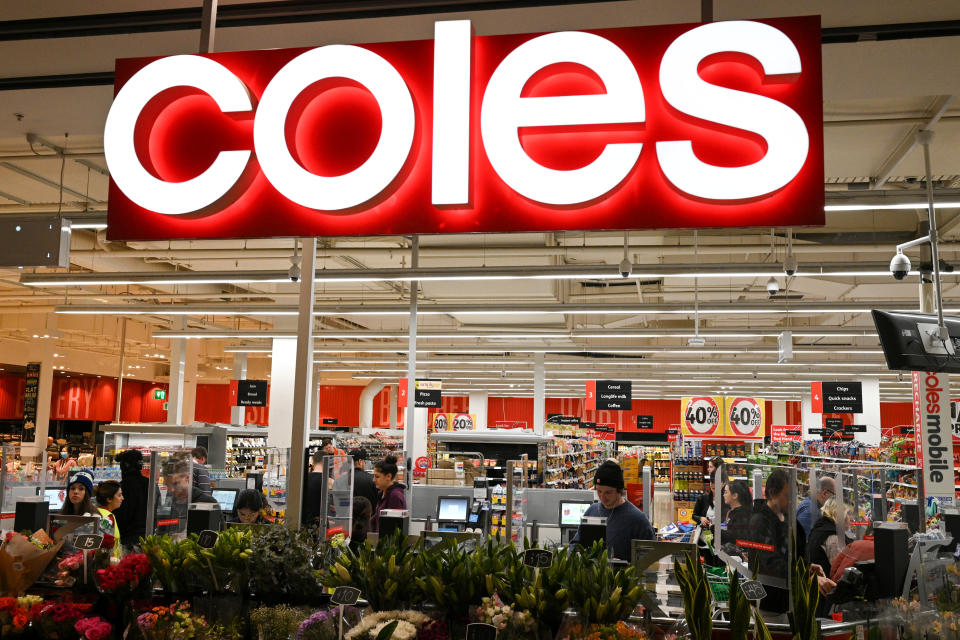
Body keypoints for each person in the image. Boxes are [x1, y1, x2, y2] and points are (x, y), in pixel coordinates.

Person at [572, 460, 655, 561]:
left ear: (619, 490)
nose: (602, 497)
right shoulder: (592, 511)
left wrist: (624, 563)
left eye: (608, 492)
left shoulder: (638, 519)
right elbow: (576, 543)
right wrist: (577, 554)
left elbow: (650, 556)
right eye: (599, 491)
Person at [112, 449, 153, 551]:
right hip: (149, 537)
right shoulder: (150, 484)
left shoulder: (123, 486)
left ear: (125, 466)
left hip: (128, 540)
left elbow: (121, 515)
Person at [807, 498, 854, 582]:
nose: (852, 518)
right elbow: (841, 572)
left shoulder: (820, 528)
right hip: (829, 589)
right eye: (849, 513)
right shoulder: (833, 536)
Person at [371, 455, 406, 532]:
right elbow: (377, 516)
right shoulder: (382, 492)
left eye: (377, 476)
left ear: (388, 476)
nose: (373, 480)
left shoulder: (395, 496)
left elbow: (395, 527)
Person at [94, 480, 124, 558]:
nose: (122, 498)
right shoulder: (107, 517)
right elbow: (104, 543)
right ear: (109, 499)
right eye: (119, 495)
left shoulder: (99, 512)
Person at [721, 480, 752, 552]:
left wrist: (715, 530)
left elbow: (736, 538)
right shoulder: (734, 512)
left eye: (726, 492)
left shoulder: (742, 515)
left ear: (735, 496)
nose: (723, 495)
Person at [349, 448, 379, 522]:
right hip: (369, 522)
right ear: (360, 461)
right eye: (364, 462)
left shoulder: (340, 480)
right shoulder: (372, 479)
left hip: (348, 522)